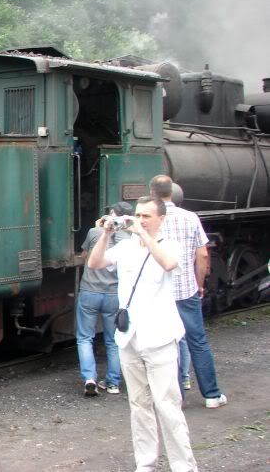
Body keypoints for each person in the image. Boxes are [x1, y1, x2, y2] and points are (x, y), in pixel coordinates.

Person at [88, 196, 198, 472]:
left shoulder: (170, 244)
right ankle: (146, 463)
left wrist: (144, 235)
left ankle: (183, 466)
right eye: (137, 215)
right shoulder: (124, 247)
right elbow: (95, 264)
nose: (139, 220)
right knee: (139, 405)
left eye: (146, 216)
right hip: (129, 336)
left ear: (161, 219)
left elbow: (169, 264)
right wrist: (106, 234)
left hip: (160, 336)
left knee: (167, 405)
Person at [149, 175, 227, 409]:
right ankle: (212, 395)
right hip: (185, 292)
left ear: (152, 193)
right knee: (197, 342)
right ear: (171, 193)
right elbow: (202, 255)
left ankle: (174, 398)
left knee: (164, 345)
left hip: (158, 293)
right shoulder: (190, 218)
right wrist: (199, 283)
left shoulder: (149, 220)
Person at [76, 201, 132, 396]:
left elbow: (84, 256)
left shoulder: (94, 232)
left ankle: (89, 378)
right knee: (113, 340)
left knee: (84, 337)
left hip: (90, 291)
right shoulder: (131, 238)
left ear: (111, 214)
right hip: (114, 294)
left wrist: (97, 227)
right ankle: (113, 383)